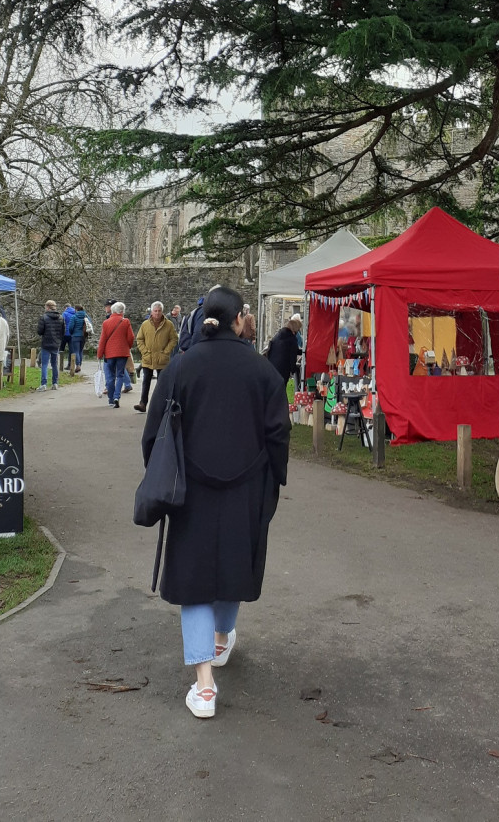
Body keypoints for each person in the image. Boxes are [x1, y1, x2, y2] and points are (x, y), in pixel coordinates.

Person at [141, 286, 290, 720]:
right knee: (232, 565)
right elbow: (278, 433)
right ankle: (222, 639)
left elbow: (154, 434)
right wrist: (271, 480)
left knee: (195, 579)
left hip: (190, 489)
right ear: (239, 318)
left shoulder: (181, 367)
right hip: (246, 488)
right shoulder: (261, 371)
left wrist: (161, 474)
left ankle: (204, 685)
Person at [133, 301, 178, 413]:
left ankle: (160, 405)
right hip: (148, 357)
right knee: (146, 381)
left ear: (162, 311)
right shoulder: (145, 325)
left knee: (161, 383)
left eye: (159, 311)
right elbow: (139, 339)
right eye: (155, 311)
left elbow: (174, 339)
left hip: (162, 358)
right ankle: (143, 403)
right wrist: (144, 351)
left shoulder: (168, 325)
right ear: (152, 312)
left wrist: (166, 352)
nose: (157, 313)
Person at [97, 302, 134, 408]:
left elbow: (103, 340)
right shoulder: (126, 321)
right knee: (120, 375)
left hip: (109, 353)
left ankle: (111, 399)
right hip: (122, 352)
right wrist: (127, 347)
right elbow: (131, 337)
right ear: (122, 311)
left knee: (110, 377)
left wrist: (100, 354)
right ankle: (117, 396)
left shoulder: (106, 323)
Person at [36, 300, 64, 390]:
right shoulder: (61, 318)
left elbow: (39, 331)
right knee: (54, 364)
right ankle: (55, 383)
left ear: (47, 307)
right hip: (56, 343)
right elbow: (63, 331)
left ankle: (44, 384)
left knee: (44, 364)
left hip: (46, 343)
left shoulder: (44, 317)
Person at [266, 314, 301, 385]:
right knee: (281, 388)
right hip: (283, 368)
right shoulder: (292, 339)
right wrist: (293, 369)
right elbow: (292, 354)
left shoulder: (278, 335)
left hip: (272, 366)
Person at [69, 305, 87, 374]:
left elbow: (71, 327)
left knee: (76, 351)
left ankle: (78, 365)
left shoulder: (74, 317)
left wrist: (72, 333)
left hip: (75, 335)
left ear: (76, 309)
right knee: (80, 350)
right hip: (83, 336)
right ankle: (80, 364)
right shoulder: (86, 316)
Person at [61, 303, 77, 370]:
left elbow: (61, 322)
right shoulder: (75, 313)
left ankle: (60, 365)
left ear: (65, 308)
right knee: (71, 350)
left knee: (61, 349)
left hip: (64, 334)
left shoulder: (64, 313)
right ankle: (70, 365)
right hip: (72, 334)